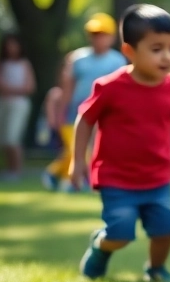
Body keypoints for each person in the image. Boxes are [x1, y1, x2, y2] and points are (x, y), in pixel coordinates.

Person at [75, 5, 170, 282]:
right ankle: (101, 246)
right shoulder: (110, 87)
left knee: (165, 230)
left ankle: (156, 268)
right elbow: (85, 119)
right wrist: (77, 160)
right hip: (116, 178)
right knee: (120, 233)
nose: (167, 56)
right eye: (157, 49)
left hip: (157, 177)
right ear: (129, 51)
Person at [45, 13, 127, 190]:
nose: (98, 38)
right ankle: (71, 181)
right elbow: (67, 88)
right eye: (94, 34)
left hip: (104, 113)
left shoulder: (117, 61)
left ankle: (56, 174)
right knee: (74, 148)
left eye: (102, 34)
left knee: (93, 149)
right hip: (76, 111)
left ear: (112, 37)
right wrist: (61, 113)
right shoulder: (77, 58)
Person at [0, 34, 35, 180]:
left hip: (19, 105)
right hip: (3, 104)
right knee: (4, 138)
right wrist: (16, 89)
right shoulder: (0, 63)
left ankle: (16, 171)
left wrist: (9, 90)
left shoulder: (24, 64)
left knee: (12, 138)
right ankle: (10, 169)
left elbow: (29, 87)